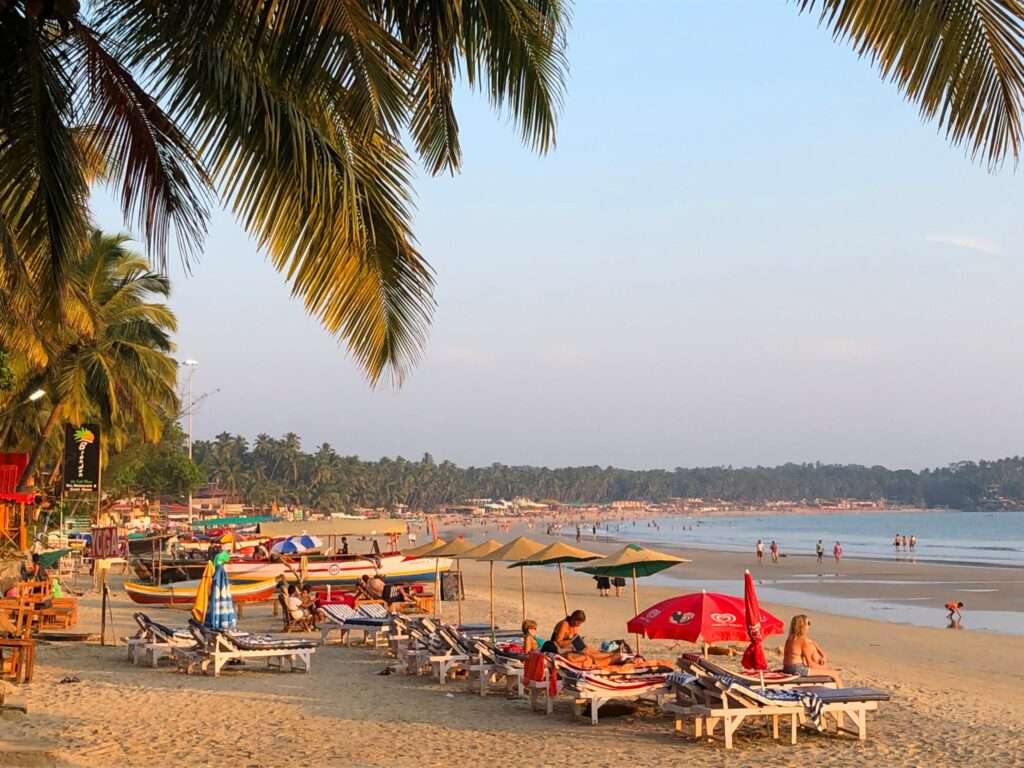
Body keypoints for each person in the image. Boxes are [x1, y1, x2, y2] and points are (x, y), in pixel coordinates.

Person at [783, 614, 842, 685]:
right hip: (797, 669)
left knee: (828, 670)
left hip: (787, 668)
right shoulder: (804, 641)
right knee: (834, 674)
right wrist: (827, 669)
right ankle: (842, 693)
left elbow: (812, 644)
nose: (809, 626)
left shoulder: (790, 639)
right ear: (802, 626)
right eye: (808, 623)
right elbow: (810, 664)